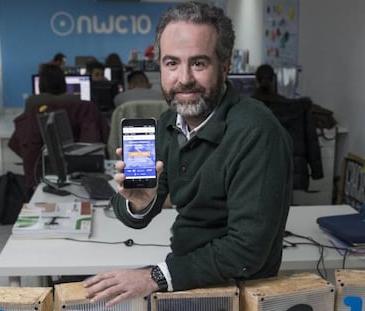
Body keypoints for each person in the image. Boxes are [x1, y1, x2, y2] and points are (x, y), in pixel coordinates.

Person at [83, 1, 293, 307]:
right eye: (171, 63)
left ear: (225, 65)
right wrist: (140, 202)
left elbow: (246, 251)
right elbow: (133, 214)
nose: (183, 79)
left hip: (237, 294)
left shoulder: (257, 131)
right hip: (188, 280)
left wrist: (152, 277)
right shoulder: (170, 123)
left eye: (198, 63)